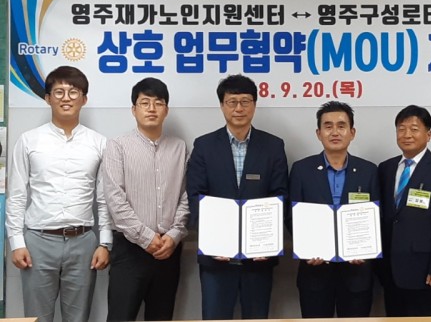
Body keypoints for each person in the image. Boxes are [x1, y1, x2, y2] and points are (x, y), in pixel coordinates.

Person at [5, 66, 111, 322]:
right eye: (59, 92)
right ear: (47, 98)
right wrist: (16, 242)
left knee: (78, 318)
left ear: (84, 99)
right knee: (37, 318)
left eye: (73, 92)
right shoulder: (28, 140)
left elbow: (104, 198)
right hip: (38, 242)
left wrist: (105, 243)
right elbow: (17, 195)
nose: (66, 98)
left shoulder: (99, 143)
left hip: (83, 242)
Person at [186, 74, 288, 320]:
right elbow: (196, 195)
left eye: (245, 101)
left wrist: (268, 241)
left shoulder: (273, 146)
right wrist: (213, 240)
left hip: (259, 258)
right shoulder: (204, 146)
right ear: (222, 105)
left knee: (256, 317)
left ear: (254, 104)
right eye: (232, 102)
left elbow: (280, 195)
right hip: (216, 259)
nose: (239, 108)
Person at [101, 77, 189, 321]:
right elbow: (115, 199)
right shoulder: (117, 146)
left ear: (166, 110)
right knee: (120, 317)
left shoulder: (180, 148)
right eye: (145, 102)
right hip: (130, 250)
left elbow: (186, 197)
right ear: (134, 109)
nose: (152, 109)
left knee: (161, 317)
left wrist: (174, 235)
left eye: (158, 103)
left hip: (169, 251)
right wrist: (146, 238)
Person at [288, 100, 379, 318]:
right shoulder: (302, 170)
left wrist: (365, 250)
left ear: (352, 132)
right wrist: (307, 247)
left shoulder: (368, 171)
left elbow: (377, 217)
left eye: (341, 126)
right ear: (318, 133)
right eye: (328, 126)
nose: (335, 132)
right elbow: (291, 216)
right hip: (315, 273)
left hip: (357, 274)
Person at [377, 105, 431, 316]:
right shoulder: (385, 168)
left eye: (414, 129)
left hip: (427, 273)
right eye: (401, 129)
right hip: (391, 272)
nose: (407, 135)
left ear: (428, 135)